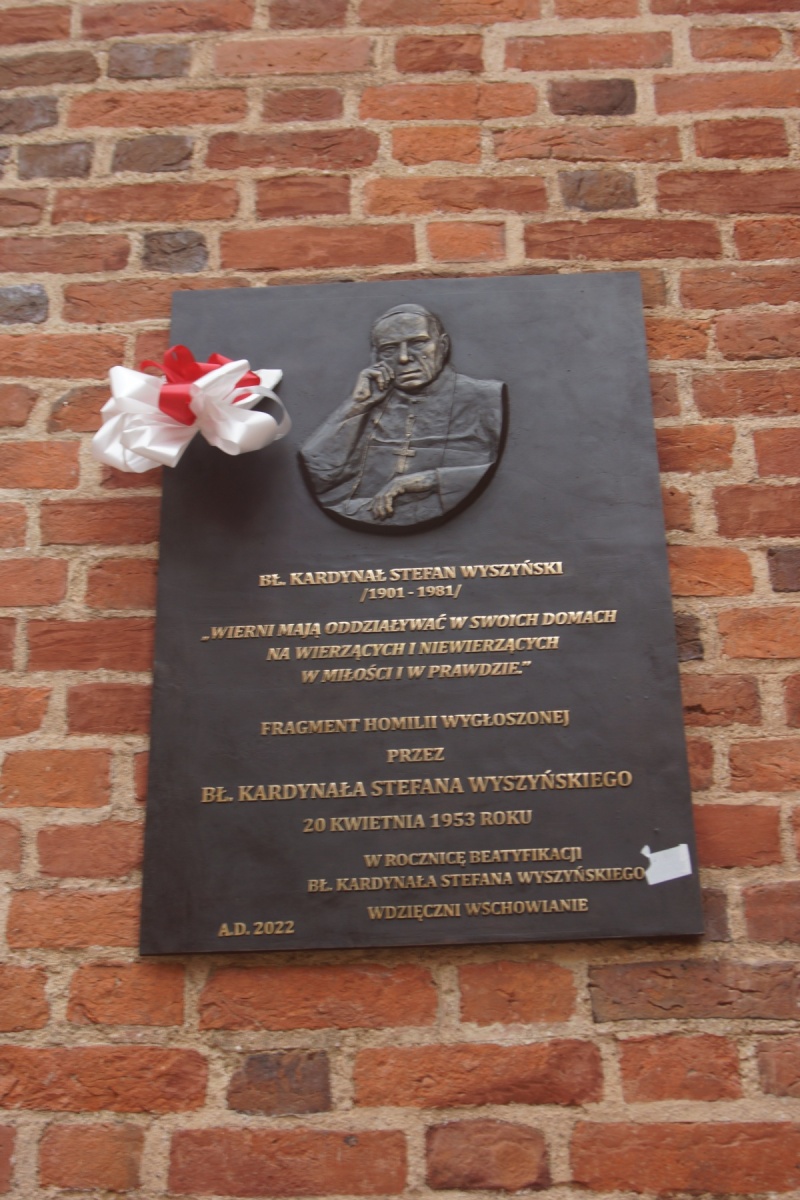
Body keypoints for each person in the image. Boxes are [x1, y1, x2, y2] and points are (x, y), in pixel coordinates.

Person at [299, 303, 505, 529]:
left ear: (443, 346)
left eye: (418, 343)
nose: (404, 358)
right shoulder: (369, 403)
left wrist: (432, 480)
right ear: (376, 357)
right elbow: (316, 475)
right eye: (389, 349)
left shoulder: (487, 397)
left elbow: (507, 472)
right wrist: (357, 406)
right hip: (364, 515)